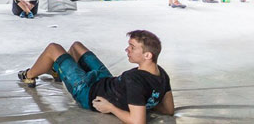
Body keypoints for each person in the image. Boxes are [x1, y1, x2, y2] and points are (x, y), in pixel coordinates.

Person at [18, 30, 174, 122]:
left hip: (88, 91)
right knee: (76, 46)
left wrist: (111, 107)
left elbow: (137, 121)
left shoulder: (135, 81)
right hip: (105, 80)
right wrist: (144, 101)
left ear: (147, 55)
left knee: (53, 48)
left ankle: (29, 75)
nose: (127, 50)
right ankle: (58, 68)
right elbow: (168, 109)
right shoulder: (161, 73)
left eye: (132, 47)